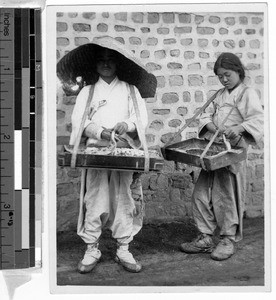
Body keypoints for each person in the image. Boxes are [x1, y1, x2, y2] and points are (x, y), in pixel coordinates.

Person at [69, 46, 148, 273]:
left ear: (117, 64)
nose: (106, 64)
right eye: (101, 60)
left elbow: (140, 117)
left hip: (123, 151)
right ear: (95, 65)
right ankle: (92, 248)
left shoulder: (130, 90)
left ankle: (123, 248)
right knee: (95, 197)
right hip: (96, 152)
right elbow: (79, 121)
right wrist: (98, 132)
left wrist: (128, 125)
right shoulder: (88, 92)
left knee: (123, 198)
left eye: (110, 60)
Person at [180, 52, 263, 261]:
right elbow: (205, 114)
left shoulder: (247, 93)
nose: (224, 80)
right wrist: (211, 125)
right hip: (214, 149)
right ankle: (205, 238)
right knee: (200, 193)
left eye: (227, 75)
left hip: (232, 151)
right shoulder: (218, 94)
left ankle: (227, 239)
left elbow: (257, 120)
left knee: (226, 196)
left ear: (238, 70)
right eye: (220, 76)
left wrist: (238, 128)